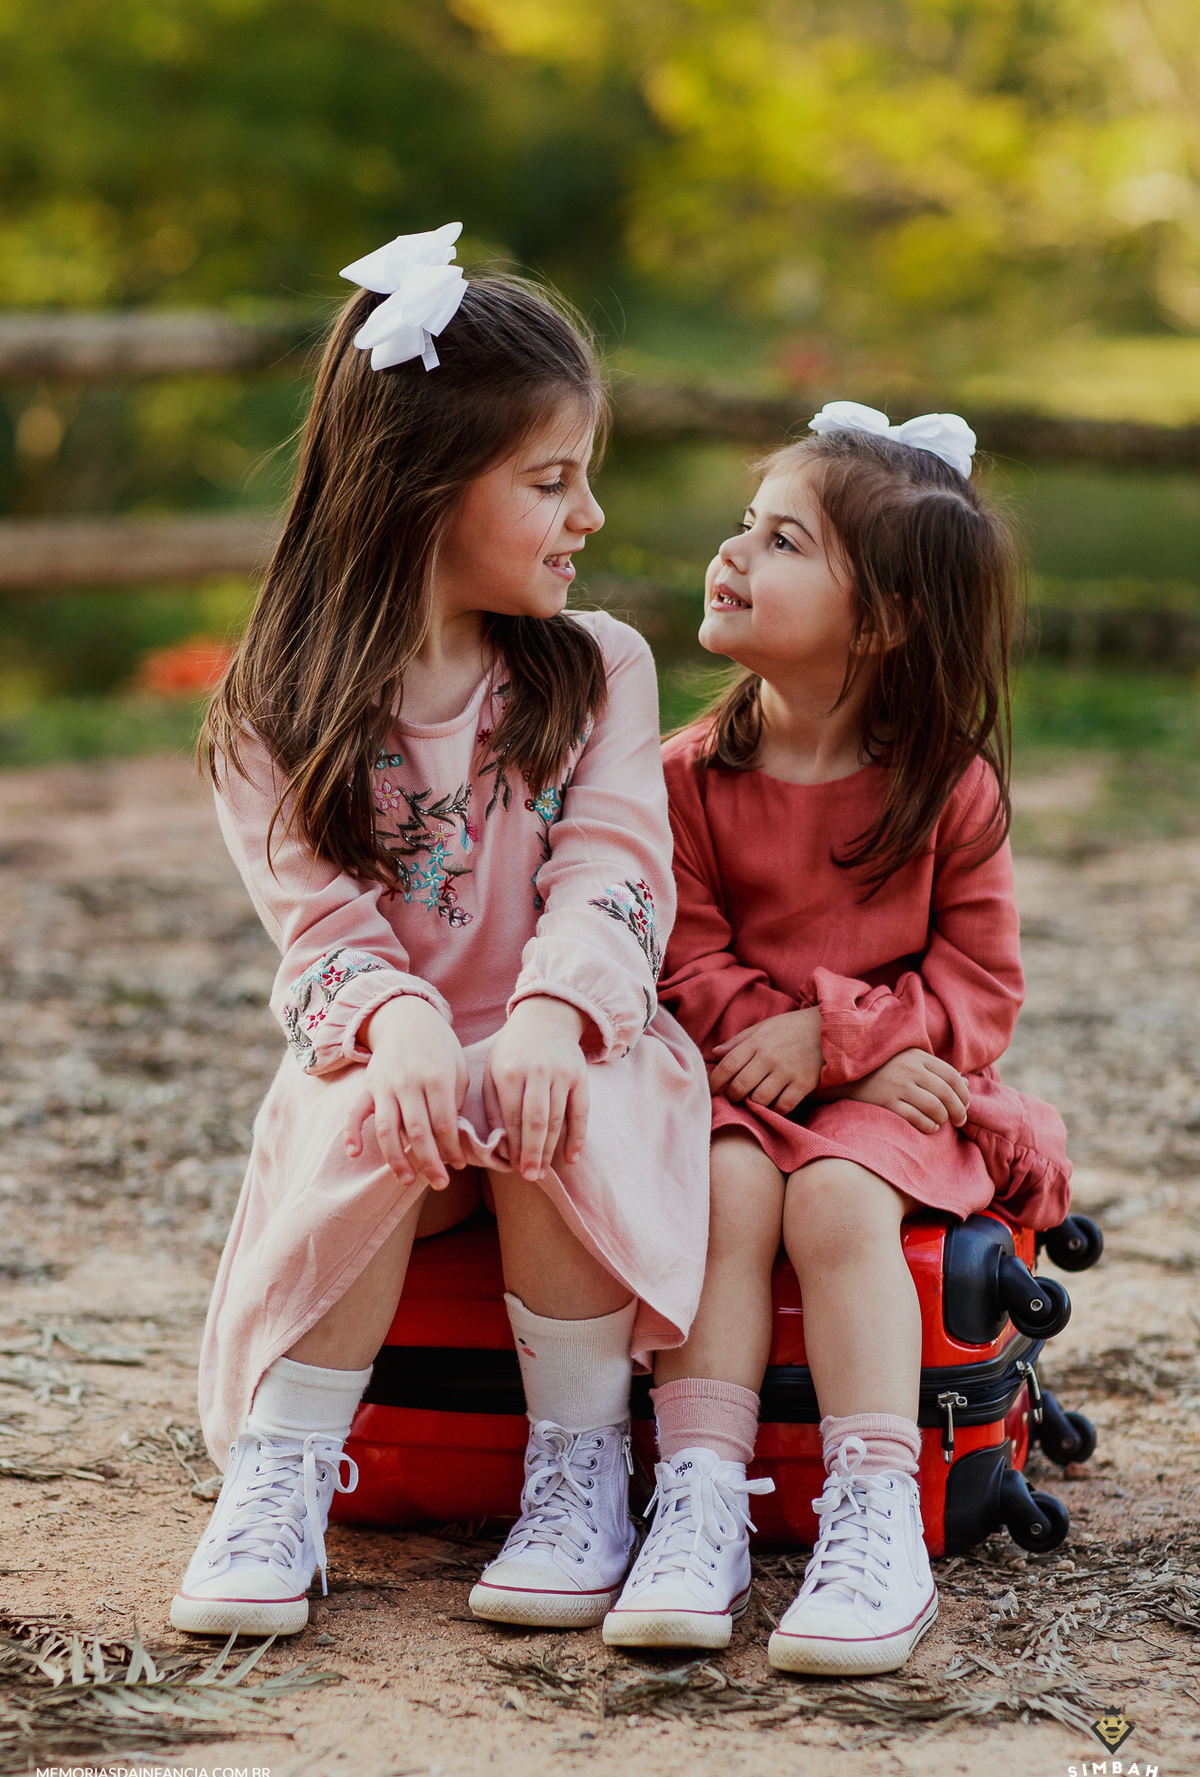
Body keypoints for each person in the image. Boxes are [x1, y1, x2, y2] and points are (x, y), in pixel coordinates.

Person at [170, 224, 710, 1639]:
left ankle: (579, 1477)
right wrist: (400, 1016)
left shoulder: (597, 668)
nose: (590, 514)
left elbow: (614, 872)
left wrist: (549, 1011)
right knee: (358, 1104)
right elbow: (319, 927)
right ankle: (282, 1478)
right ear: (421, 485)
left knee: (560, 1092)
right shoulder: (272, 706)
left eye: (585, 475)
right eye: (550, 480)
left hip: (568, 1044)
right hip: (391, 1061)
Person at [602, 402, 1071, 1674]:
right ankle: (697, 1498)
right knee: (728, 1185)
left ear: (883, 622)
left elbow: (980, 985)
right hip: (736, 1079)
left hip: (900, 1097)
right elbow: (683, 962)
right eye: (745, 524)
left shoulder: (948, 785)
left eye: (784, 541)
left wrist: (841, 1044)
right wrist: (789, 1042)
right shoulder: (686, 778)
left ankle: (876, 1512)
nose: (733, 552)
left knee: (838, 1198)